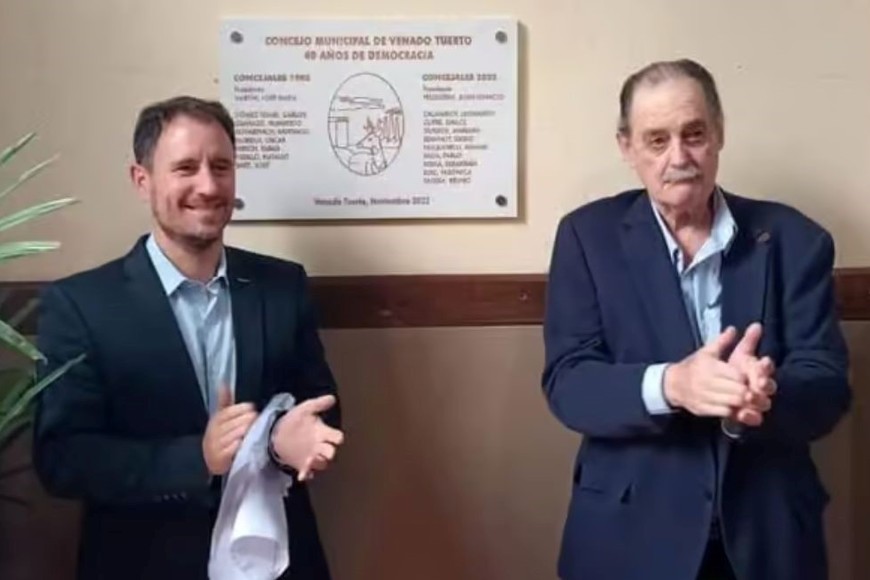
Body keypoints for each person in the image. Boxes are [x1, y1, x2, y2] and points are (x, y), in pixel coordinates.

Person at [542, 59, 850, 580]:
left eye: (694, 134)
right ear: (627, 148)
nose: (679, 157)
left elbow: (827, 385)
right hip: (629, 534)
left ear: (719, 133)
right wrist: (672, 385)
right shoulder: (586, 238)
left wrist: (763, 396)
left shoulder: (797, 239)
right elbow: (568, 382)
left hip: (767, 534)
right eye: (656, 140)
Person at [33, 96, 343, 580]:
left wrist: (283, 442)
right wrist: (196, 458)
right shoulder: (80, 305)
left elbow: (322, 405)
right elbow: (63, 460)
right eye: (185, 168)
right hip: (145, 563)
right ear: (142, 180)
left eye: (221, 166)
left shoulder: (283, 285)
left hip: (280, 562)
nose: (209, 185)